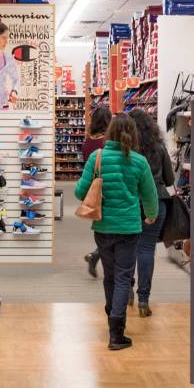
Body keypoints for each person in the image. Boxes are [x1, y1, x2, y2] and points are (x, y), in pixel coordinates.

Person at [73, 113, 158, 351]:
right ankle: (116, 333)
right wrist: (151, 214)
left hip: (102, 226)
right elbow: (150, 195)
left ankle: (112, 311)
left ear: (110, 132)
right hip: (129, 227)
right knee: (123, 277)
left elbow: (80, 192)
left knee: (110, 275)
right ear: (133, 133)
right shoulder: (139, 161)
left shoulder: (96, 158)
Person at [127, 109, 174, 318]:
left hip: (131, 202)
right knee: (146, 249)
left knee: (127, 248)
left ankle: (126, 291)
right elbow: (170, 179)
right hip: (156, 201)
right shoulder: (159, 148)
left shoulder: (127, 149)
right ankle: (144, 300)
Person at [80, 104, 113, 278]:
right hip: (108, 188)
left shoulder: (88, 141)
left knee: (104, 229)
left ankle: (95, 255)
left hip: (93, 190)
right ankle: (98, 257)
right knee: (113, 231)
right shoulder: (105, 142)